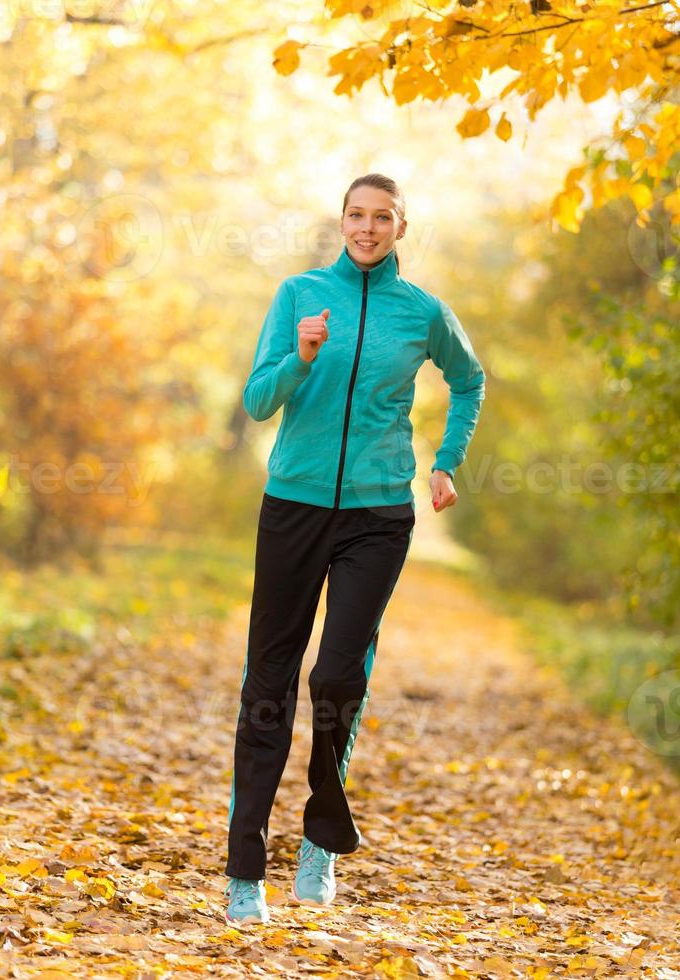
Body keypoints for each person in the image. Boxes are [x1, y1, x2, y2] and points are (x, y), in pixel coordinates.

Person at [223, 173, 486, 928]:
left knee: (339, 674)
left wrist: (445, 460)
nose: (366, 228)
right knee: (268, 680)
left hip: (378, 514)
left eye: (382, 218)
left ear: (402, 227)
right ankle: (246, 869)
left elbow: (469, 382)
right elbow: (257, 402)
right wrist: (301, 358)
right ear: (341, 221)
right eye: (355, 215)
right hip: (294, 507)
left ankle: (321, 841)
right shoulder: (298, 294)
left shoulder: (423, 312)